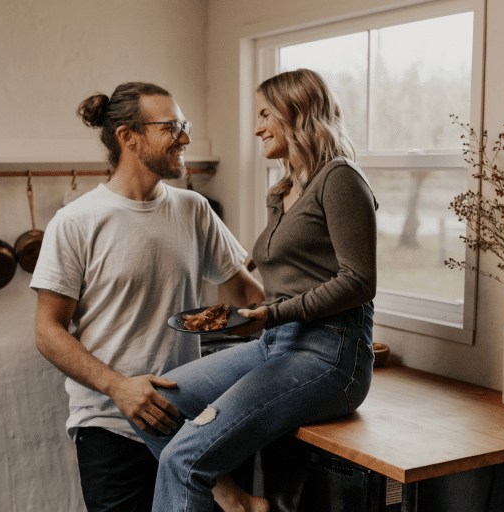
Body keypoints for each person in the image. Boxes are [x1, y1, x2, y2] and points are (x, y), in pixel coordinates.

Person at [129, 68, 378, 512]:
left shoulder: (340, 179)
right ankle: (238, 501)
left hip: (330, 355)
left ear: (295, 112)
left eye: (265, 113)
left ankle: (229, 499)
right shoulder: (282, 190)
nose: (258, 126)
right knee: (153, 404)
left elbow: (359, 282)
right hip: (275, 345)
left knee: (183, 459)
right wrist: (260, 310)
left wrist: (274, 312)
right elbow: (296, 271)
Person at [30, 81, 265, 512]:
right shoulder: (75, 222)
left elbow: (249, 294)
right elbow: (48, 332)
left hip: (192, 422)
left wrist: (262, 313)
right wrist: (118, 387)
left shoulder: (194, 209)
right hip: (110, 427)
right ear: (128, 137)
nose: (186, 138)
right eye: (172, 126)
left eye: (185, 125)